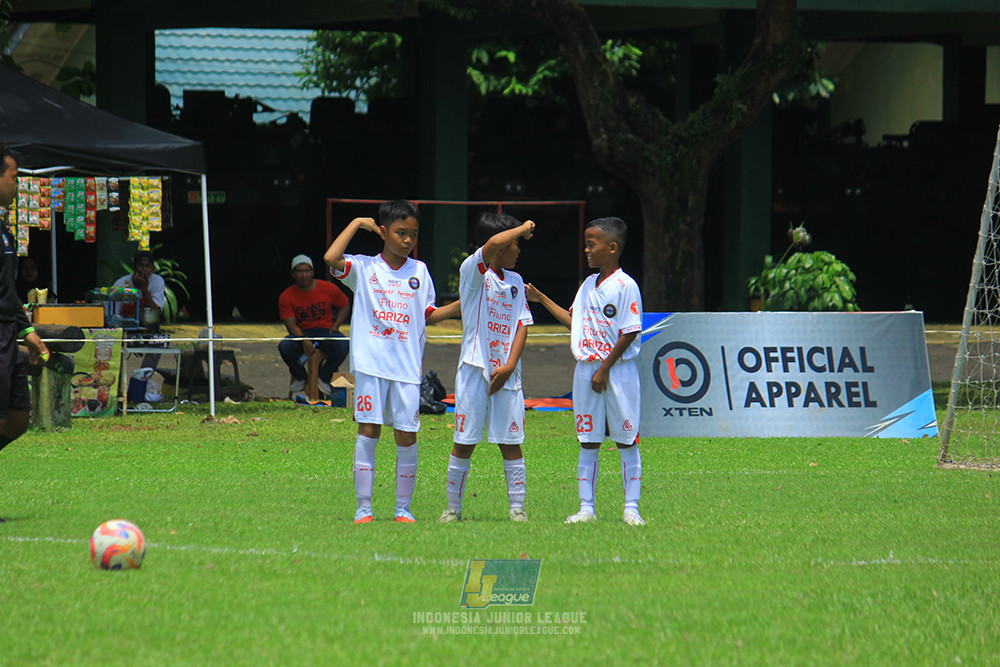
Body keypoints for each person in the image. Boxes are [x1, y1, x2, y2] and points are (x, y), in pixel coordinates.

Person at [324, 200, 460, 525]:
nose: (408, 240)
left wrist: (461, 304)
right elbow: (330, 258)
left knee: (407, 435)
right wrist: (357, 222)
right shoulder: (363, 268)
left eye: (413, 234)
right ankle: (364, 507)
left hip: (407, 369)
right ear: (383, 232)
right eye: (401, 233)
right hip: (371, 365)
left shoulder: (420, 271)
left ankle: (403, 508)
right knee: (369, 430)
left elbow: (428, 316)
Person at [526, 216, 645, 526]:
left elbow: (629, 332)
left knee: (626, 439)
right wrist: (540, 300)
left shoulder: (626, 286)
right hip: (586, 371)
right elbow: (573, 322)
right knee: (588, 439)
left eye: (591, 245)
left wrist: (605, 368)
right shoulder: (588, 285)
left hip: (616, 372)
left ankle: (631, 508)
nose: (586, 250)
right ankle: (586, 508)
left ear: (612, 247)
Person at [438, 212, 536, 523]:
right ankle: (453, 509)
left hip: (507, 375)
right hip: (473, 370)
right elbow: (493, 241)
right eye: (515, 243)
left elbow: (522, 324)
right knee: (464, 442)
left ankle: (517, 509)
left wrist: (509, 365)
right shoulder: (473, 271)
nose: (518, 249)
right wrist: (524, 227)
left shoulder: (517, 281)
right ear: (500, 246)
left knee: (511, 442)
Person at [0, 145, 50, 521]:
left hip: (8, 334)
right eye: (14, 176)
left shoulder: (3, 229)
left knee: (18, 419)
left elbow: (8, 291)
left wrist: (27, 330)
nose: (18, 184)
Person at [278, 253, 351, 396]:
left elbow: (345, 305)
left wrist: (336, 325)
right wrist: (304, 338)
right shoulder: (286, 296)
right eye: (299, 271)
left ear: (312, 272)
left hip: (324, 331)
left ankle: (324, 377)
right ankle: (301, 377)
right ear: (293, 274)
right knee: (284, 346)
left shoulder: (328, 288)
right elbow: (291, 325)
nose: (303, 275)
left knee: (343, 344)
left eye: (306, 271)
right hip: (301, 332)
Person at [113, 250, 165, 315]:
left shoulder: (157, 281)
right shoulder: (120, 283)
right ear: (134, 268)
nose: (144, 269)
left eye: (148, 266)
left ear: (153, 269)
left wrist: (144, 288)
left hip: (148, 322)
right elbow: (114, 314)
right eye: (141, 265)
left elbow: (157, 312)